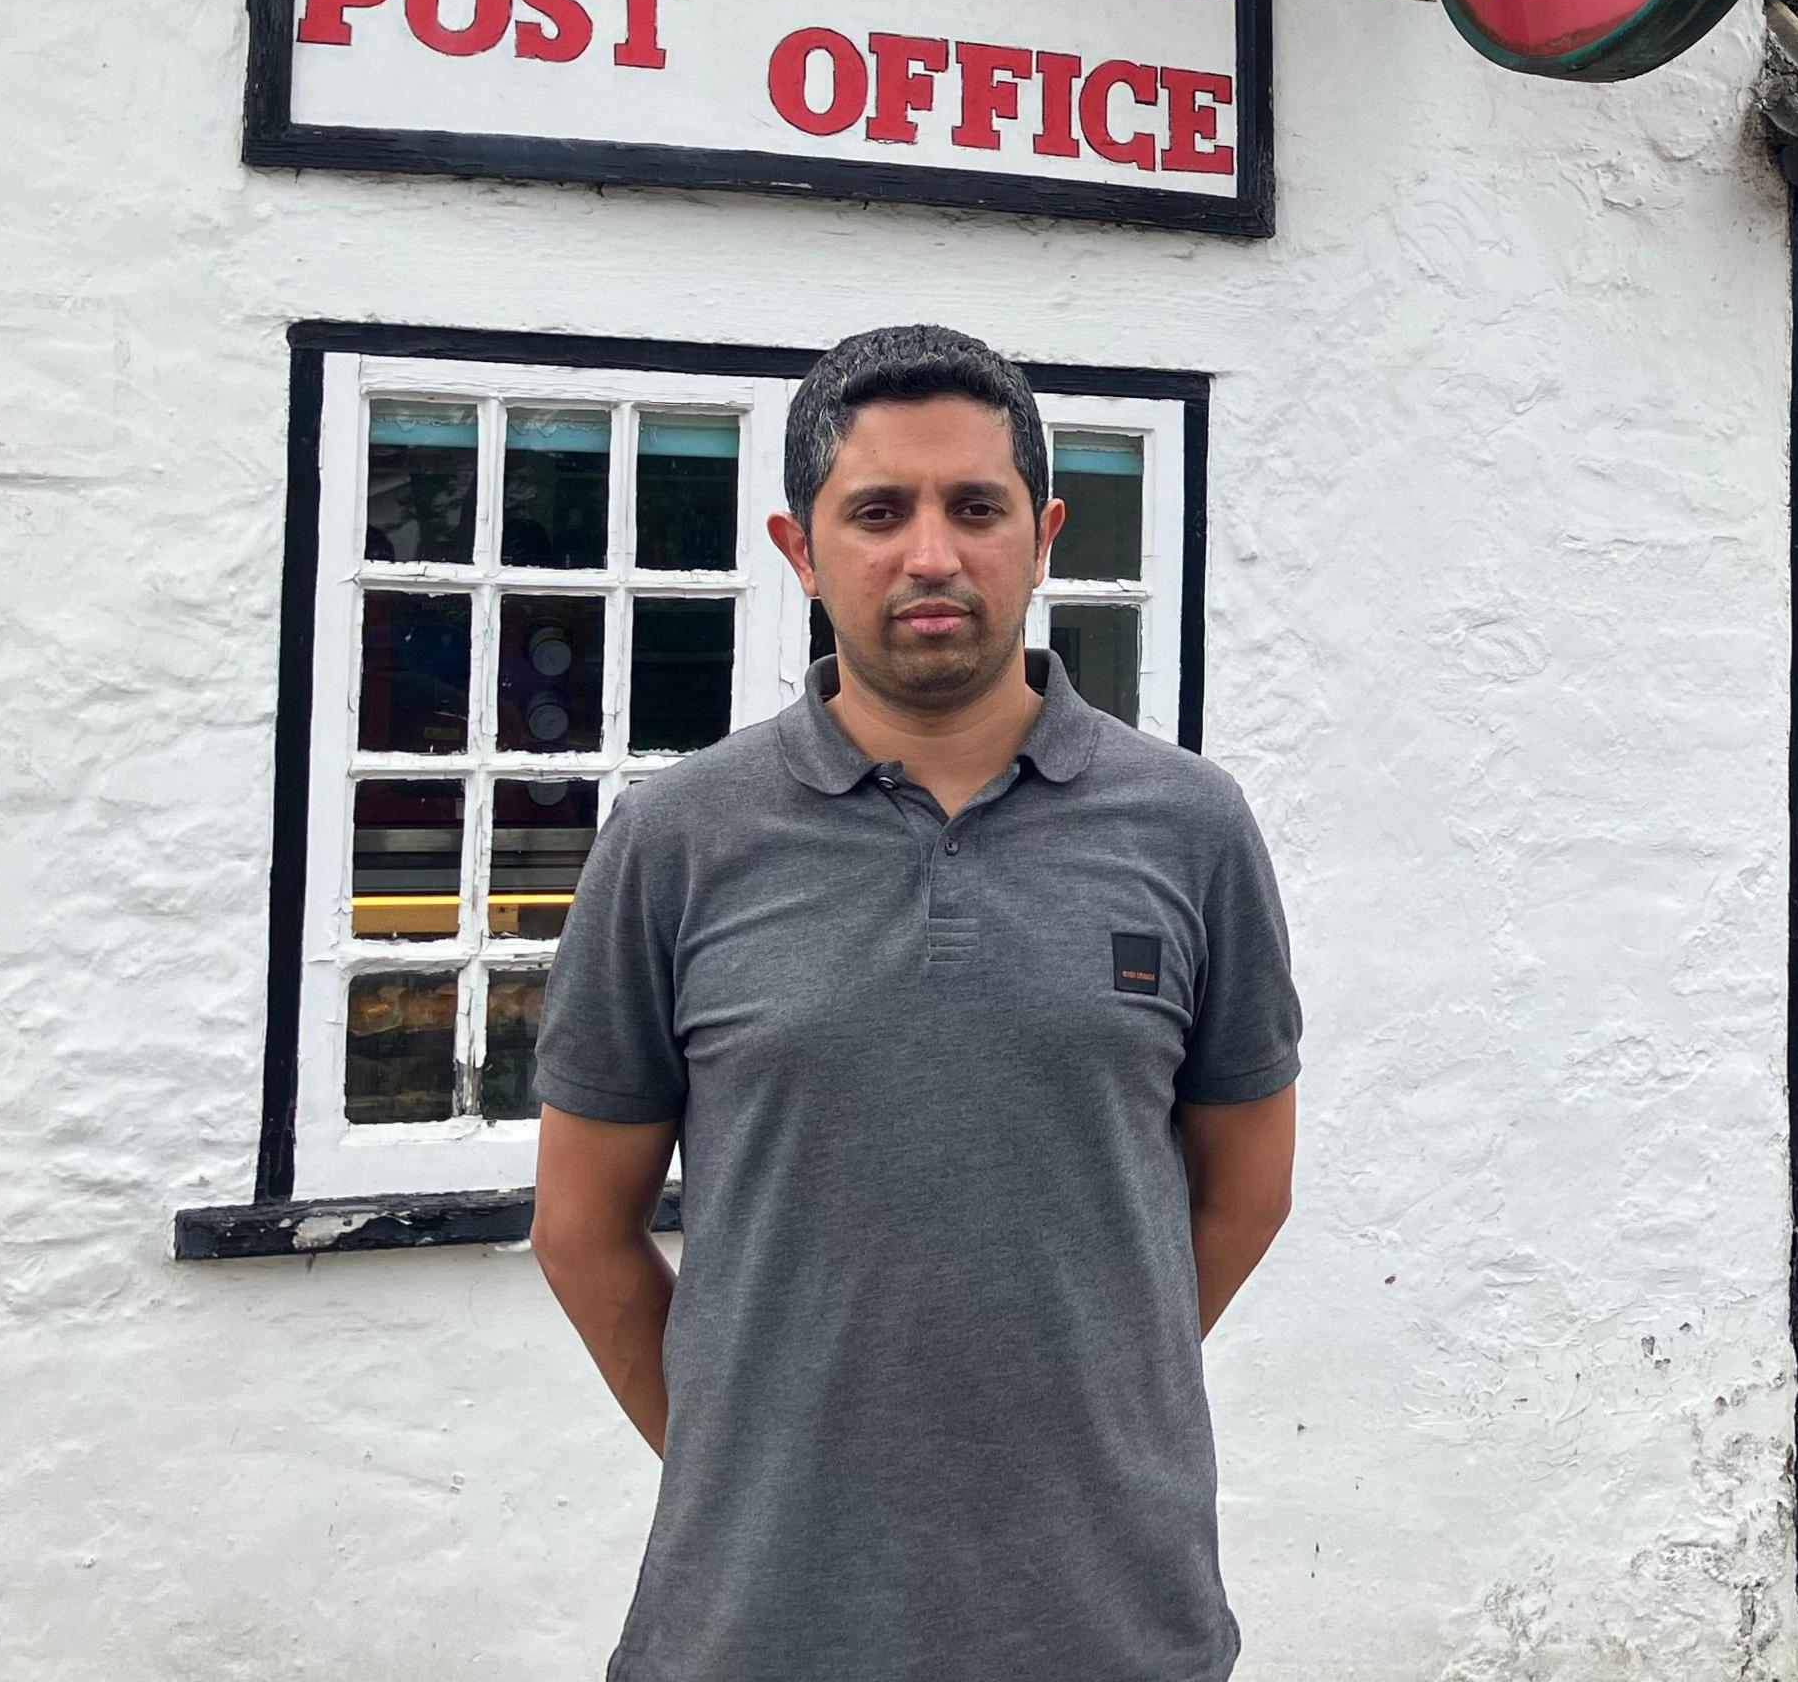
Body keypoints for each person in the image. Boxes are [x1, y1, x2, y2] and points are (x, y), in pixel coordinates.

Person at [529, 323, 1300, 1682]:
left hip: (1112, 1623)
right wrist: (752, 1466)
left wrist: (1084, 1411)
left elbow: (1246, 1189)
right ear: (799, 548)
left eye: (976, 507)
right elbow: (582, 1229)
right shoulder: (679, 839)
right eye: (878, 511)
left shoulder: (1190, 828)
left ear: (1044, 532)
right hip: (758, 1627)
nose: (932, 553)